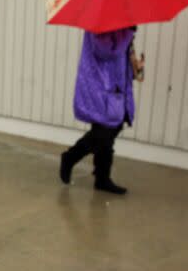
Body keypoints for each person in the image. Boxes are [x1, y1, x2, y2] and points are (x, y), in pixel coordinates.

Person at [59, 27, 144, 194]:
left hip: (116, 86)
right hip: (99, 86)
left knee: (111, 129)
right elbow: (105, 52)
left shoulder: (122, 26)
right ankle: (70, 157)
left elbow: (121, 55)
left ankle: (102, 178)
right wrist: (128, 34)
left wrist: (135, 66)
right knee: (104, 132)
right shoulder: (99, 25)